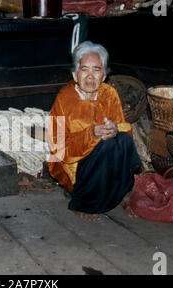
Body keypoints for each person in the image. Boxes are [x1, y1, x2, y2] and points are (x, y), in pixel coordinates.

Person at [48, 41, 141, 221]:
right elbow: (58, 150)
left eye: (97, 70)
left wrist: (114, 128)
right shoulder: (63, 100)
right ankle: (83, 201)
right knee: (105, 145)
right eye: (85, 69)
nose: (90, 76)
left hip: (107, 158)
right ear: (75, 74)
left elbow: (123, 130)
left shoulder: (109, 94)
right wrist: (91, 134)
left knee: (122, 140)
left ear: (104, 75)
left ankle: (122, 193)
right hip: (76, 164)